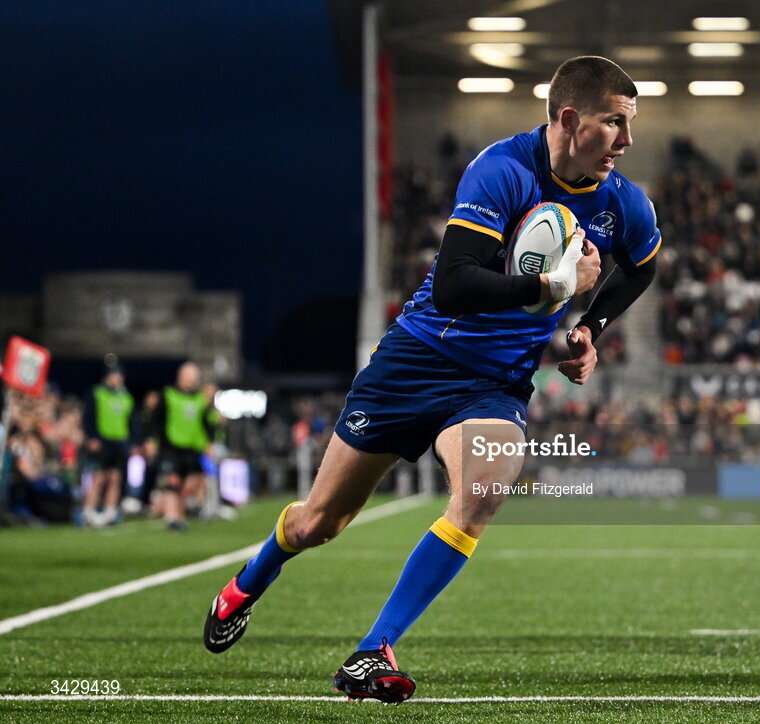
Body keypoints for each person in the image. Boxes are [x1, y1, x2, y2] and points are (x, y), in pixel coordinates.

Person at [203, 56, 661, 703]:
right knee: (319, 524)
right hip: (416, 360)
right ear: (568, 119)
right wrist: (557, 286)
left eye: (630, 125)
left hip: (494, 385)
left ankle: (372, 651)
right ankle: (248, 581)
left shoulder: (621, 203)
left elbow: (640, 266)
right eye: (614, 123)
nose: (628, 140)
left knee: (482, 493)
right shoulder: (502, 171)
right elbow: (453, 285)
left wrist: (593, 324)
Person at [145, 361, 214, 531]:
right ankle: (171, 518)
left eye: (194, 377)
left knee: (189, 484)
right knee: (172, 480)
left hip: (192, 447)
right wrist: (151, 440)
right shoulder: (168, 394)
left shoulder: (199, 398)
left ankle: (180, 516)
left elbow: (206, 423)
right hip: (171, 445)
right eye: (188, 376)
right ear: (180, 376)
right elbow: (156, 419)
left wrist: (208, 443)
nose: (191, 380)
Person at [80, 366, 136, 527]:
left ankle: (110, 513)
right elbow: (88, 417)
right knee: (98, 478)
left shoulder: (126, 397)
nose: (117, 379)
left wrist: (132, 442)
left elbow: (133, 421)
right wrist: (91, 437)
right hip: (102, 441)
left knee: (115, 478)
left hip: (119, 442)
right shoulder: (97, 393)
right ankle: (88, 513)